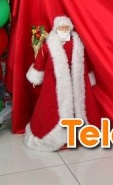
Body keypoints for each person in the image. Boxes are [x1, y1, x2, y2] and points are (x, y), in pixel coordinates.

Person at [24, 15, 99, 151]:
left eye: (66, 28)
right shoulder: (49, 44)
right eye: (61, 28)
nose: (64, 30)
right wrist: (36, 74)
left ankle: (79, 133)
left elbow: (83, 61)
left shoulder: (77, 43)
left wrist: (88, 76)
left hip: (75, 80)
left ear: (70, 28)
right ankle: (56, 136)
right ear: (56, 29)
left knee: (79, 105)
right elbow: (40, 60)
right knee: (53, 106)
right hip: (54, 81)